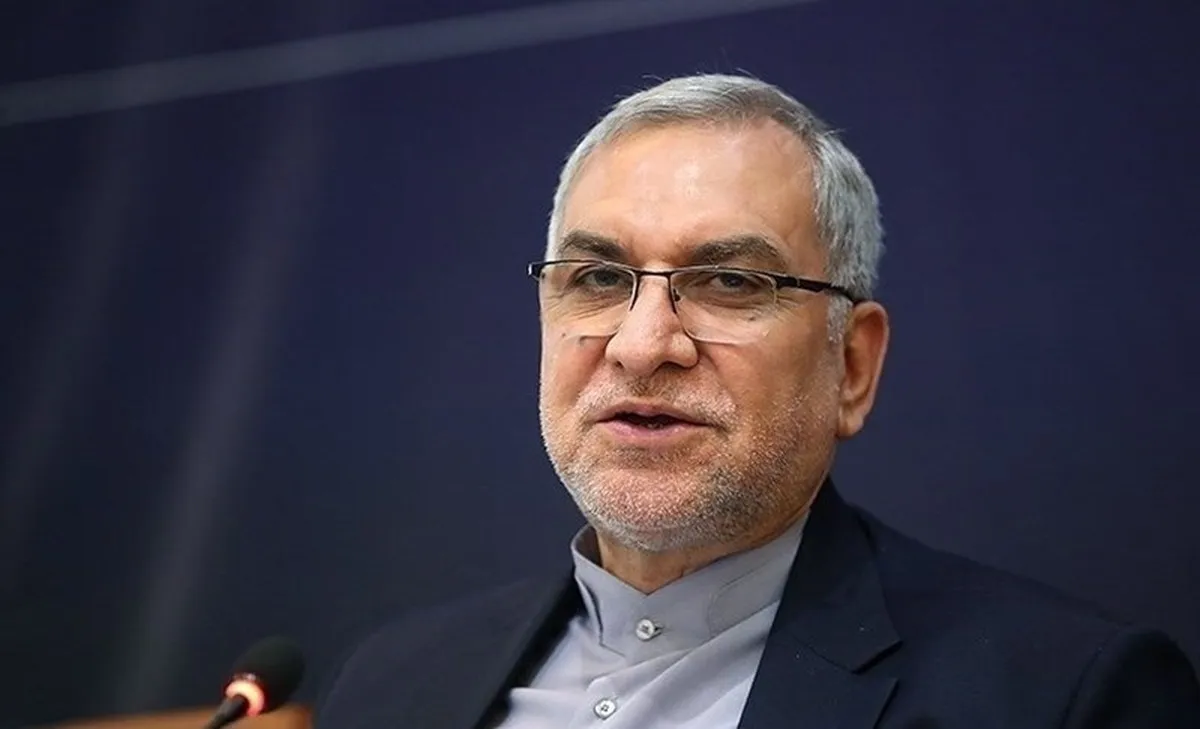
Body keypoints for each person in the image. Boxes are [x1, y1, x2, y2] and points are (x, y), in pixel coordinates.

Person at [314, 74, 1200, 728]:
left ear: (852, 365)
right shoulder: (391, 683)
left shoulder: (1063, 697)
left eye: (731, 281)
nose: (642, 344)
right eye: (599, 277)